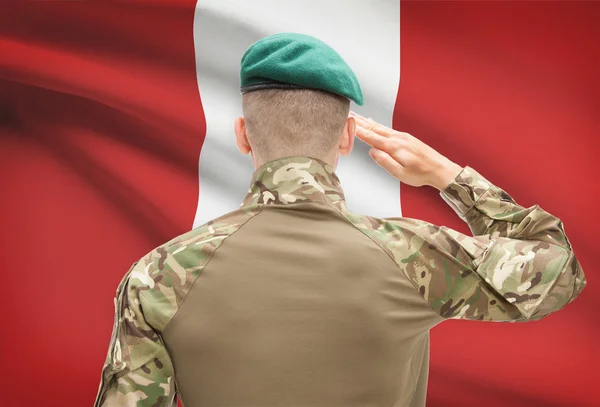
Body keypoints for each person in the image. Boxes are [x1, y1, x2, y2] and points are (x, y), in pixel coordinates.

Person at [94, 32, 587, 407]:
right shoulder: (415, 257)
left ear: (243, 135)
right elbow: (558, 268)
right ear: (348, 136)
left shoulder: (157, 276)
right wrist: (448, 176)